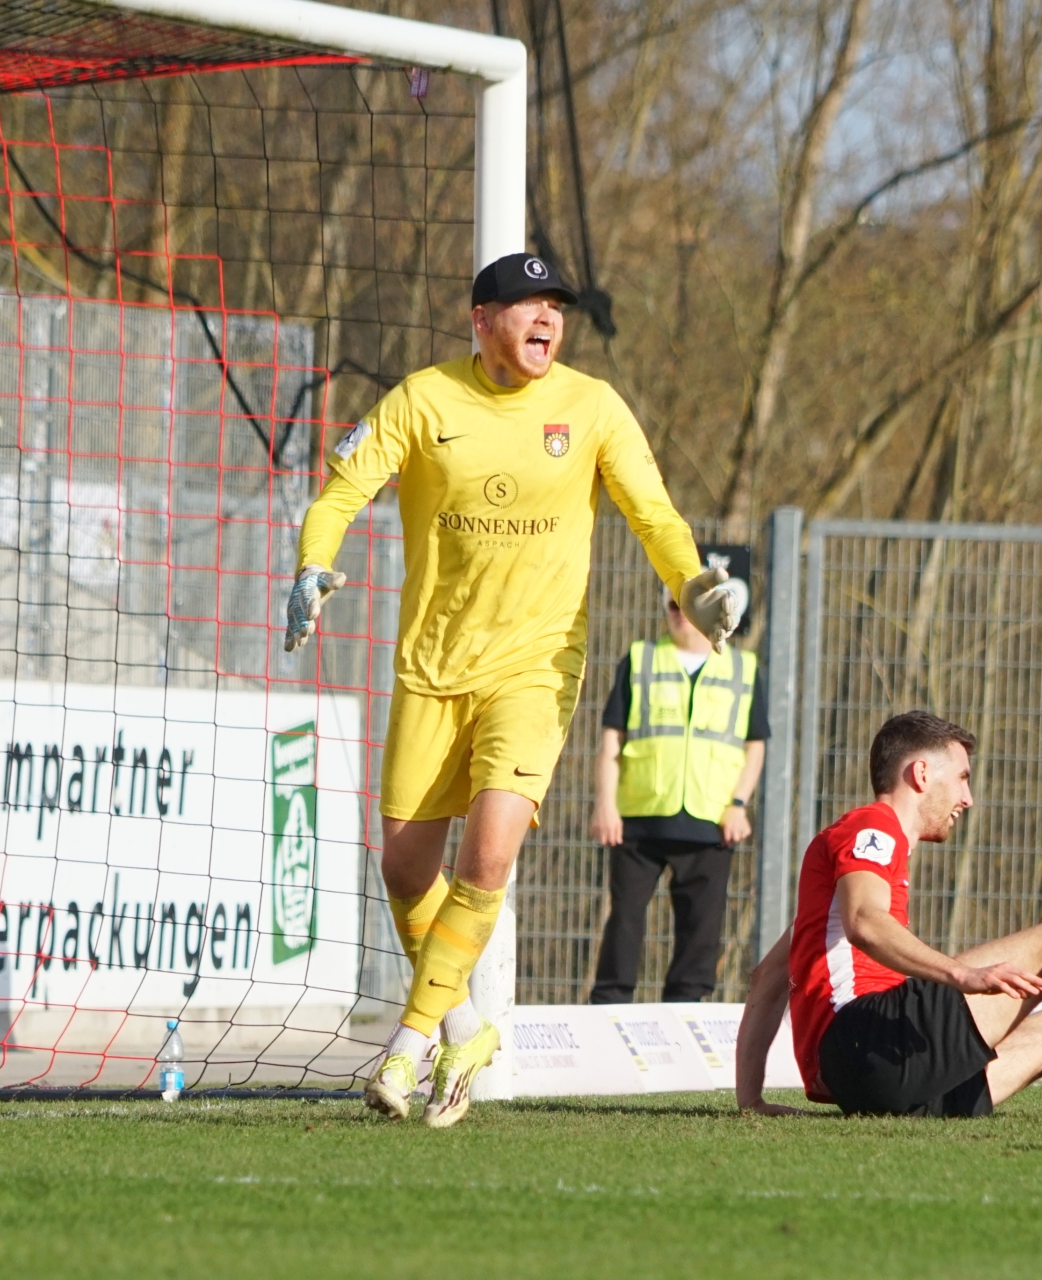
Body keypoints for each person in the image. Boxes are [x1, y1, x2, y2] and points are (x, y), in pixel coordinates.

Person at [284, 252, 746, 1128]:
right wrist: (313, 564)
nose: (547, 318)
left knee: (487, 858)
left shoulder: (592, 407)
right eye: (528, 303)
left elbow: (654, 515)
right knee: (404, 867)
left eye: (556, 307)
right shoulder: (424, 401)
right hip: (431, 667)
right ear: (481, 319)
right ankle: (465, 1029)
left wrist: (692, 585)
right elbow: (341, 493)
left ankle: (408, 1047)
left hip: (536, 666)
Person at [733, 709, 1042, 1122]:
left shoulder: (845, 882)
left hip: (873, 1080)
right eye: (963, 778)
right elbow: (865, 922)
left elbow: (768, 976)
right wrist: (961, 974)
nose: (967, 798)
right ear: (921, 774)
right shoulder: (873, 826)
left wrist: (750, 1101)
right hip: (866, 1040)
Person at [588, 548, 768, 1004]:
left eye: (690, 607)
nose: (680, 615)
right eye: (673, 605)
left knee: (701, 927)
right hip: (639, 815)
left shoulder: (744, 669)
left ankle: (686, 1010)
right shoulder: (640, 659)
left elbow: (755, 744)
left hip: (711, 819)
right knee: (624, 919)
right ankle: (609, 1004)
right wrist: (605, 805)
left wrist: (739, 804)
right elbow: (611, 740)